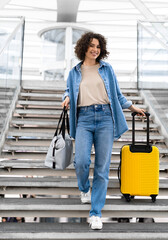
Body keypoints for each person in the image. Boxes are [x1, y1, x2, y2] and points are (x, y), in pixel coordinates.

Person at [61, 32, 145, 230]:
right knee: (81, 161)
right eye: (91, 45)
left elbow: (116, 94)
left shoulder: (107, 69)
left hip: (106, 118)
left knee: (102, 167)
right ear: (83, 48)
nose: (95, 49)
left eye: (98, 46)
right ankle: (84, 189)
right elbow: (68, 90)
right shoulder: (74, 72)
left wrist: (132, 107)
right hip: (84, 118)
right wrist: (66, 98)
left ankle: (96, 213)